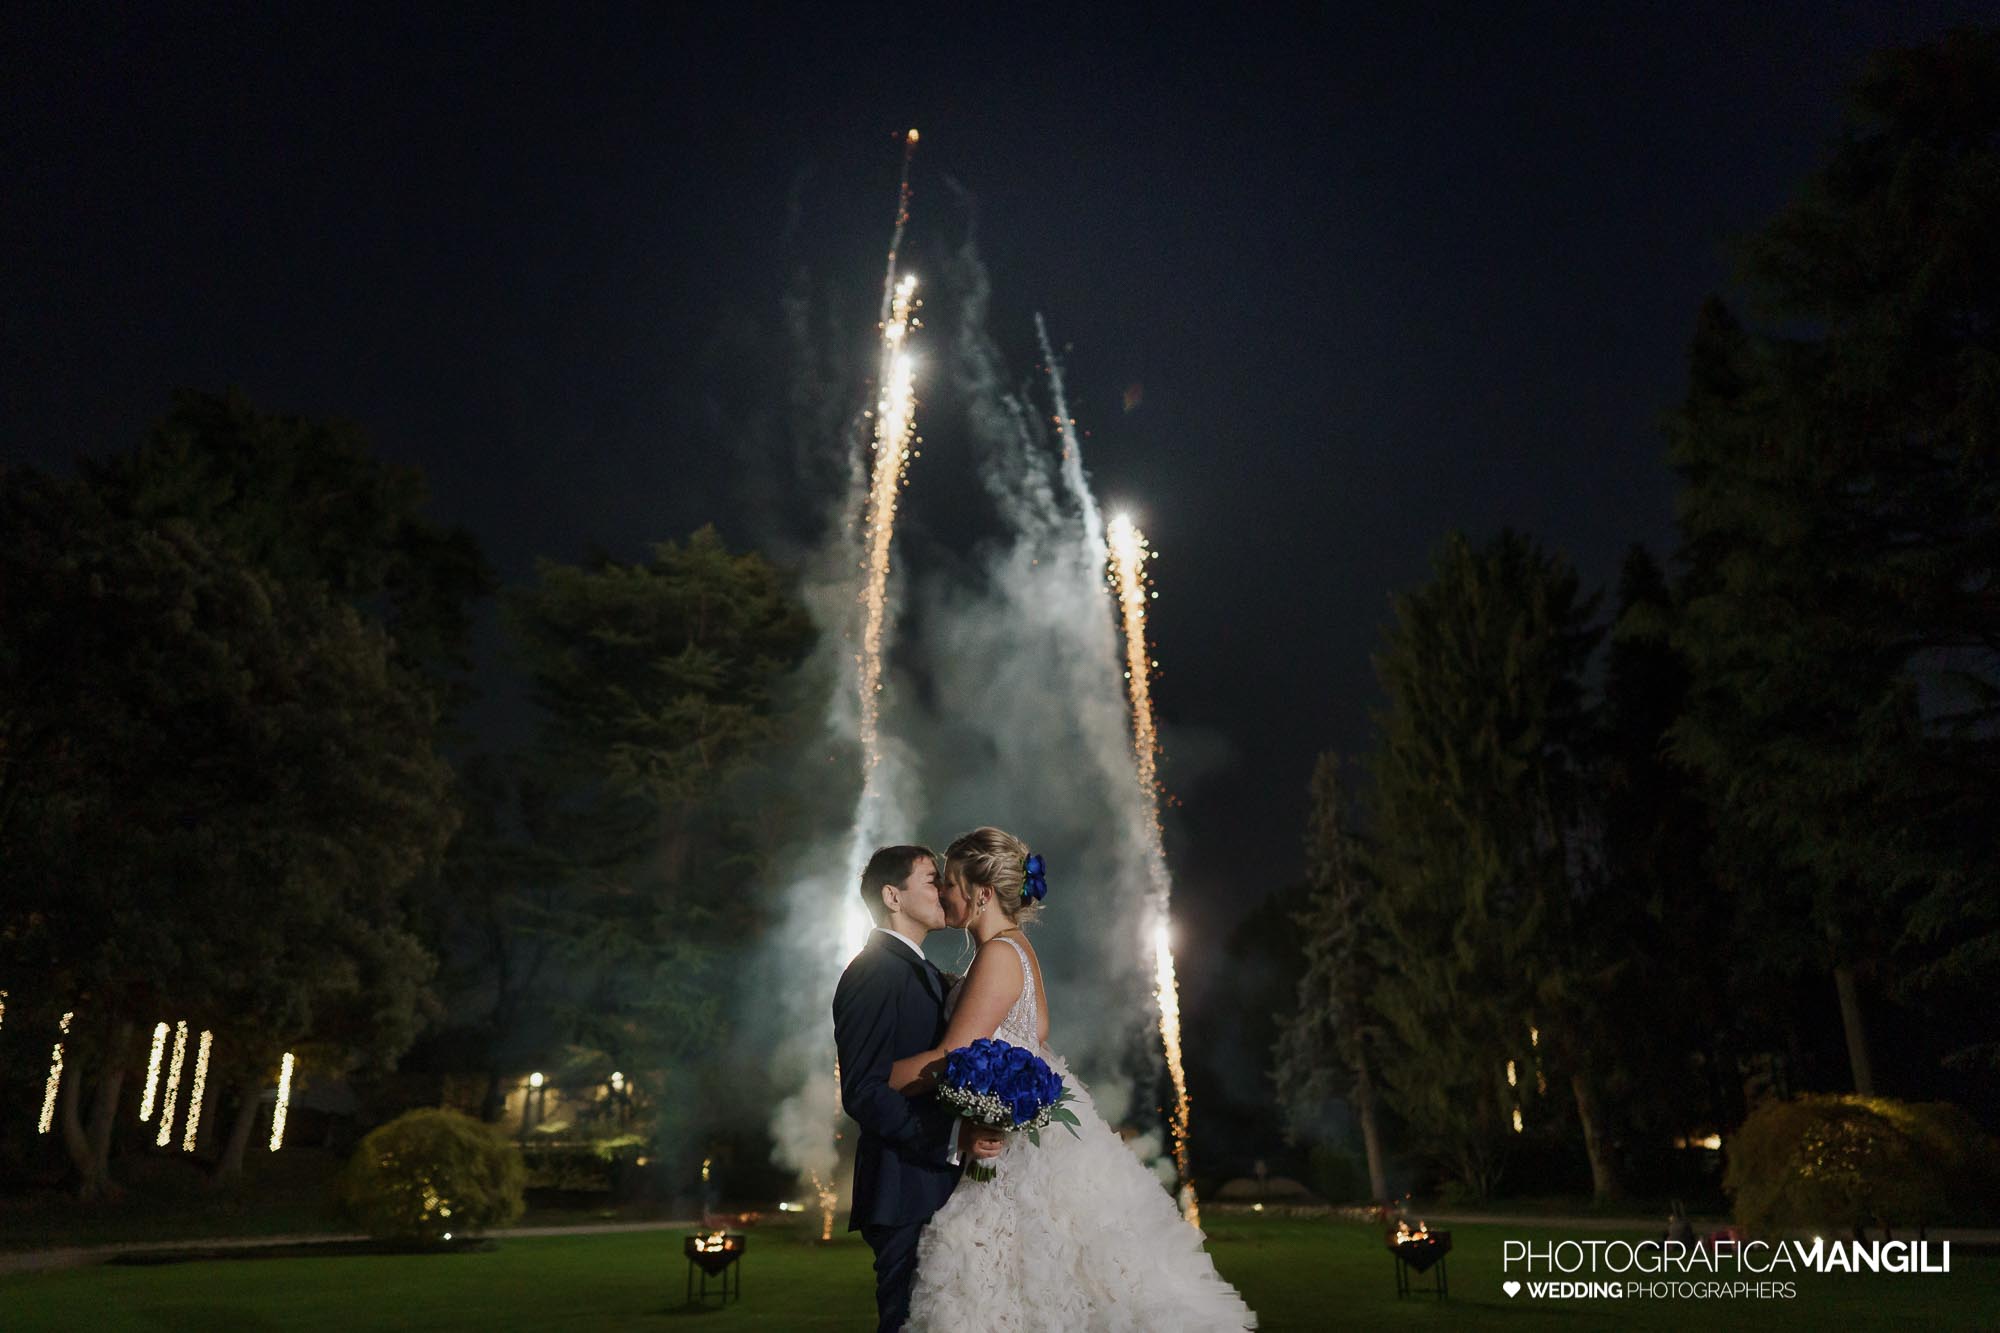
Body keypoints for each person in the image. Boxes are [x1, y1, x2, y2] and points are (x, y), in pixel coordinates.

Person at [893, 826, 1257, 1331]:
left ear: (980, 894)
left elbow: (950, 1059)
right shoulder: (1019, 950)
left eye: (950, 882)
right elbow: (1032, 1035)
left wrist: (876, 1076)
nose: (943, 893)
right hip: (1038, 1144)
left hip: (1009, 1158)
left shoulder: (998, 956)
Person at [833, 844, 1006, 1333]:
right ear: (893, 895)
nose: (944, 889)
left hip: (931, 1181)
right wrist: (951, 1140)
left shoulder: (921, 972)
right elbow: (863, 1091)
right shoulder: (872, 972)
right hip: (902, 1186)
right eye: (932, 880)